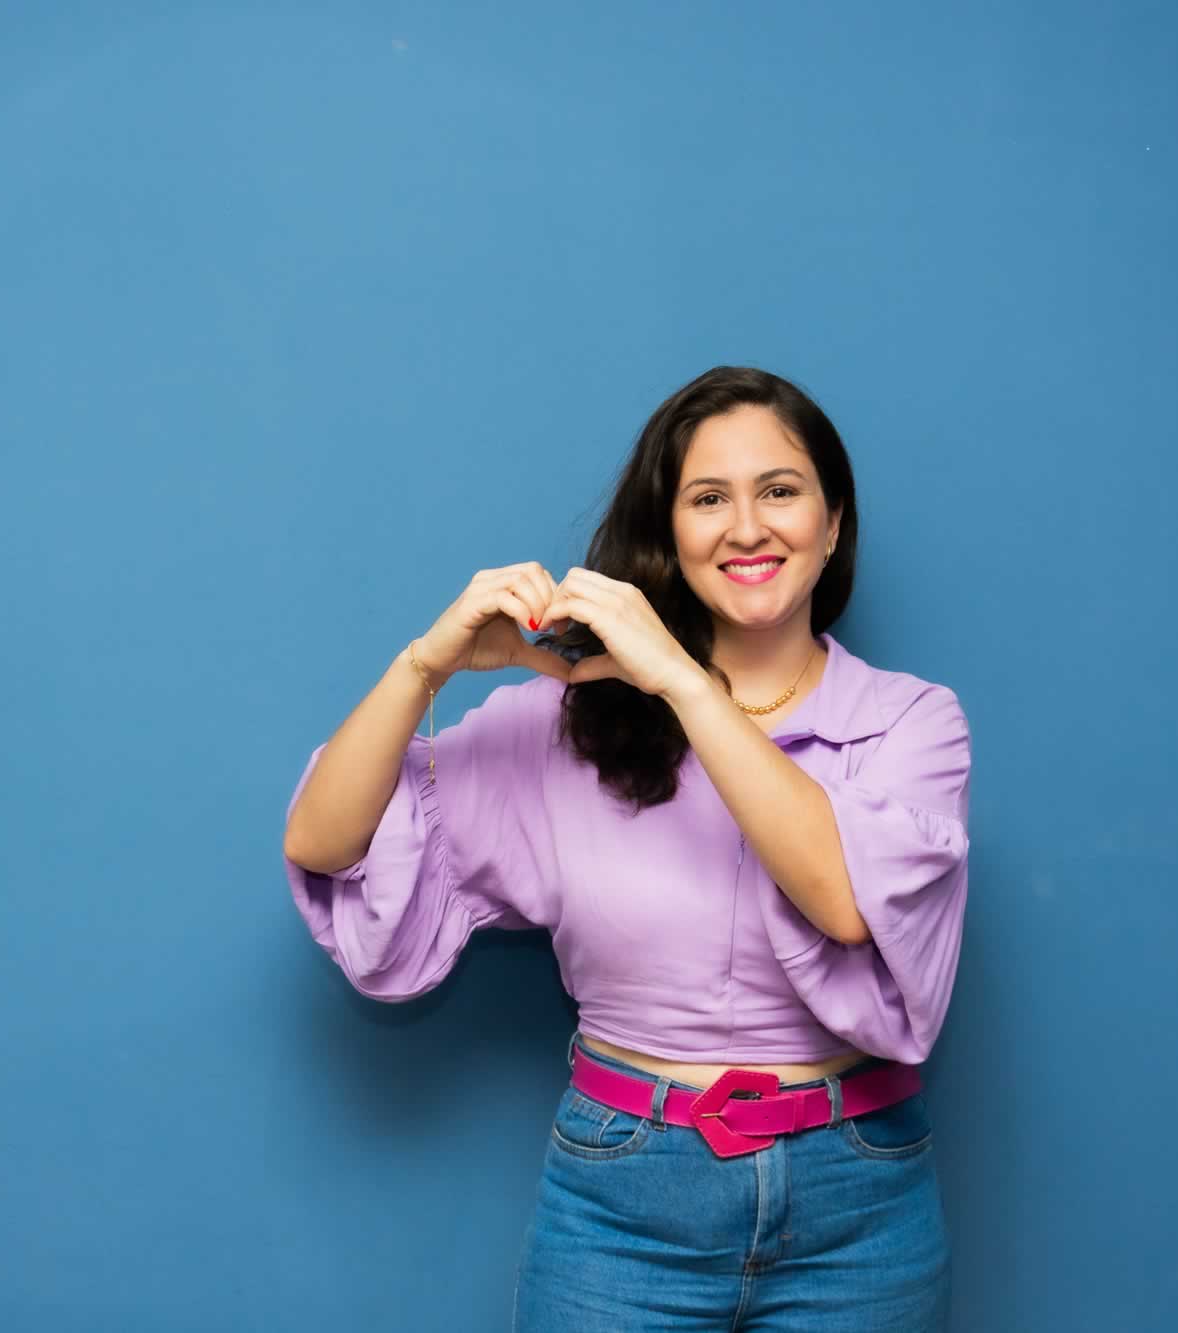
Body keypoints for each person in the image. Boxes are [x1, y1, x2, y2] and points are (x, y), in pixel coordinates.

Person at [281, 365, 970, 1331]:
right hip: (624, 1209)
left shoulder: (913, 723)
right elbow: (323, 841)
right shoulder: (575, 723)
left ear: (833, 524)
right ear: (670, 534)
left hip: (860, 1210)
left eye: (779, 490)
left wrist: (686, 684)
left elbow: (845, 899)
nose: (747, 527)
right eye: (708, 499)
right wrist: (424, 664)